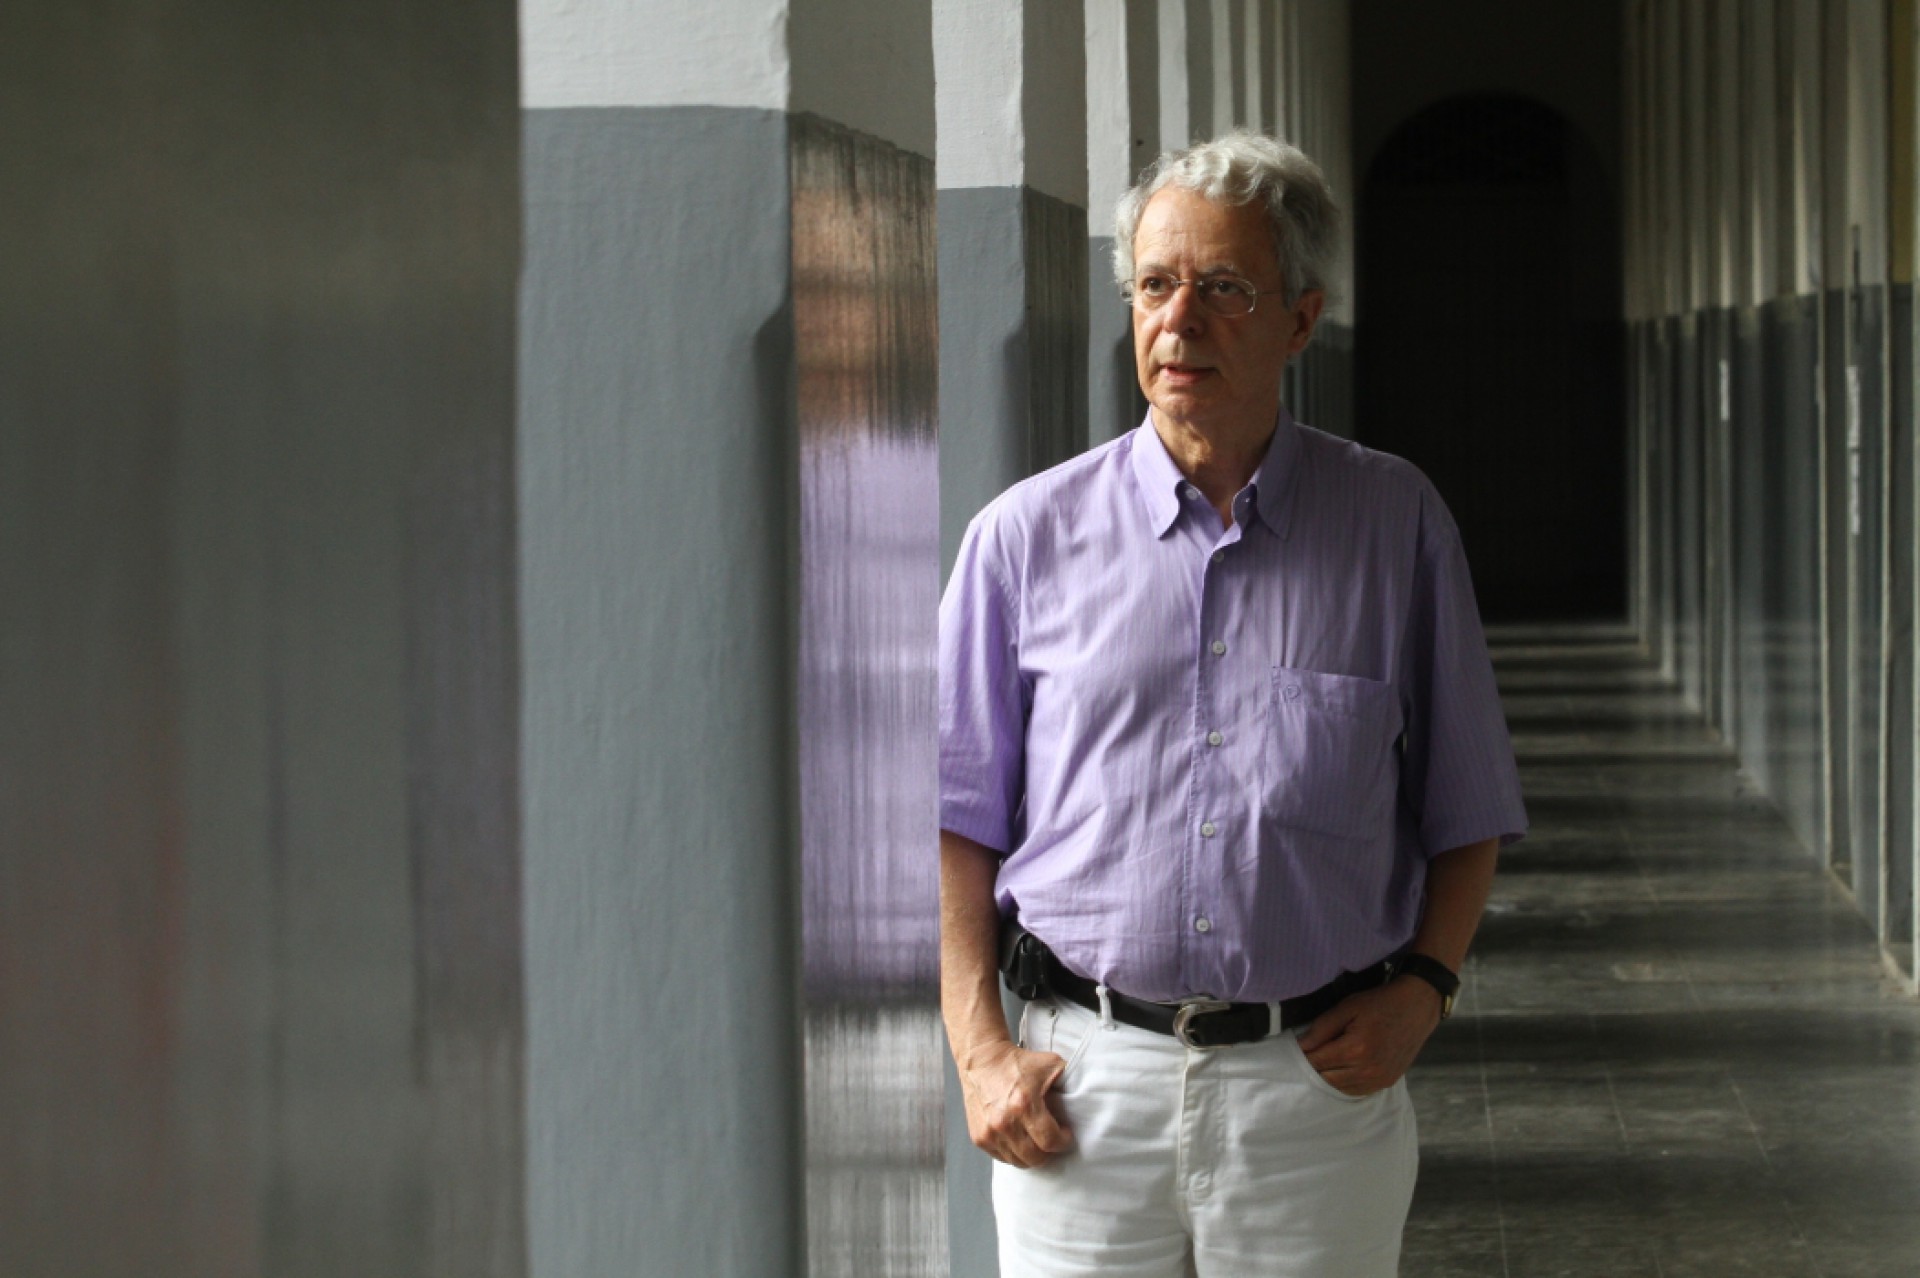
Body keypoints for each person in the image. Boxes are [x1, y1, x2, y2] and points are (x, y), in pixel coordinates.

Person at [937, 131, 1528, 1278]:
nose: (1180, 321)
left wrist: (1425, 992)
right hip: (1081, 1091)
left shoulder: (1395, 525)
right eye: (1155, 285)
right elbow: (963, 820)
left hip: (1313, 1093)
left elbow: (1468, 807)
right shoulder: (1021, 540)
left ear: (1300, 321)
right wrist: (979, 1052)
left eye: (1224, 288)